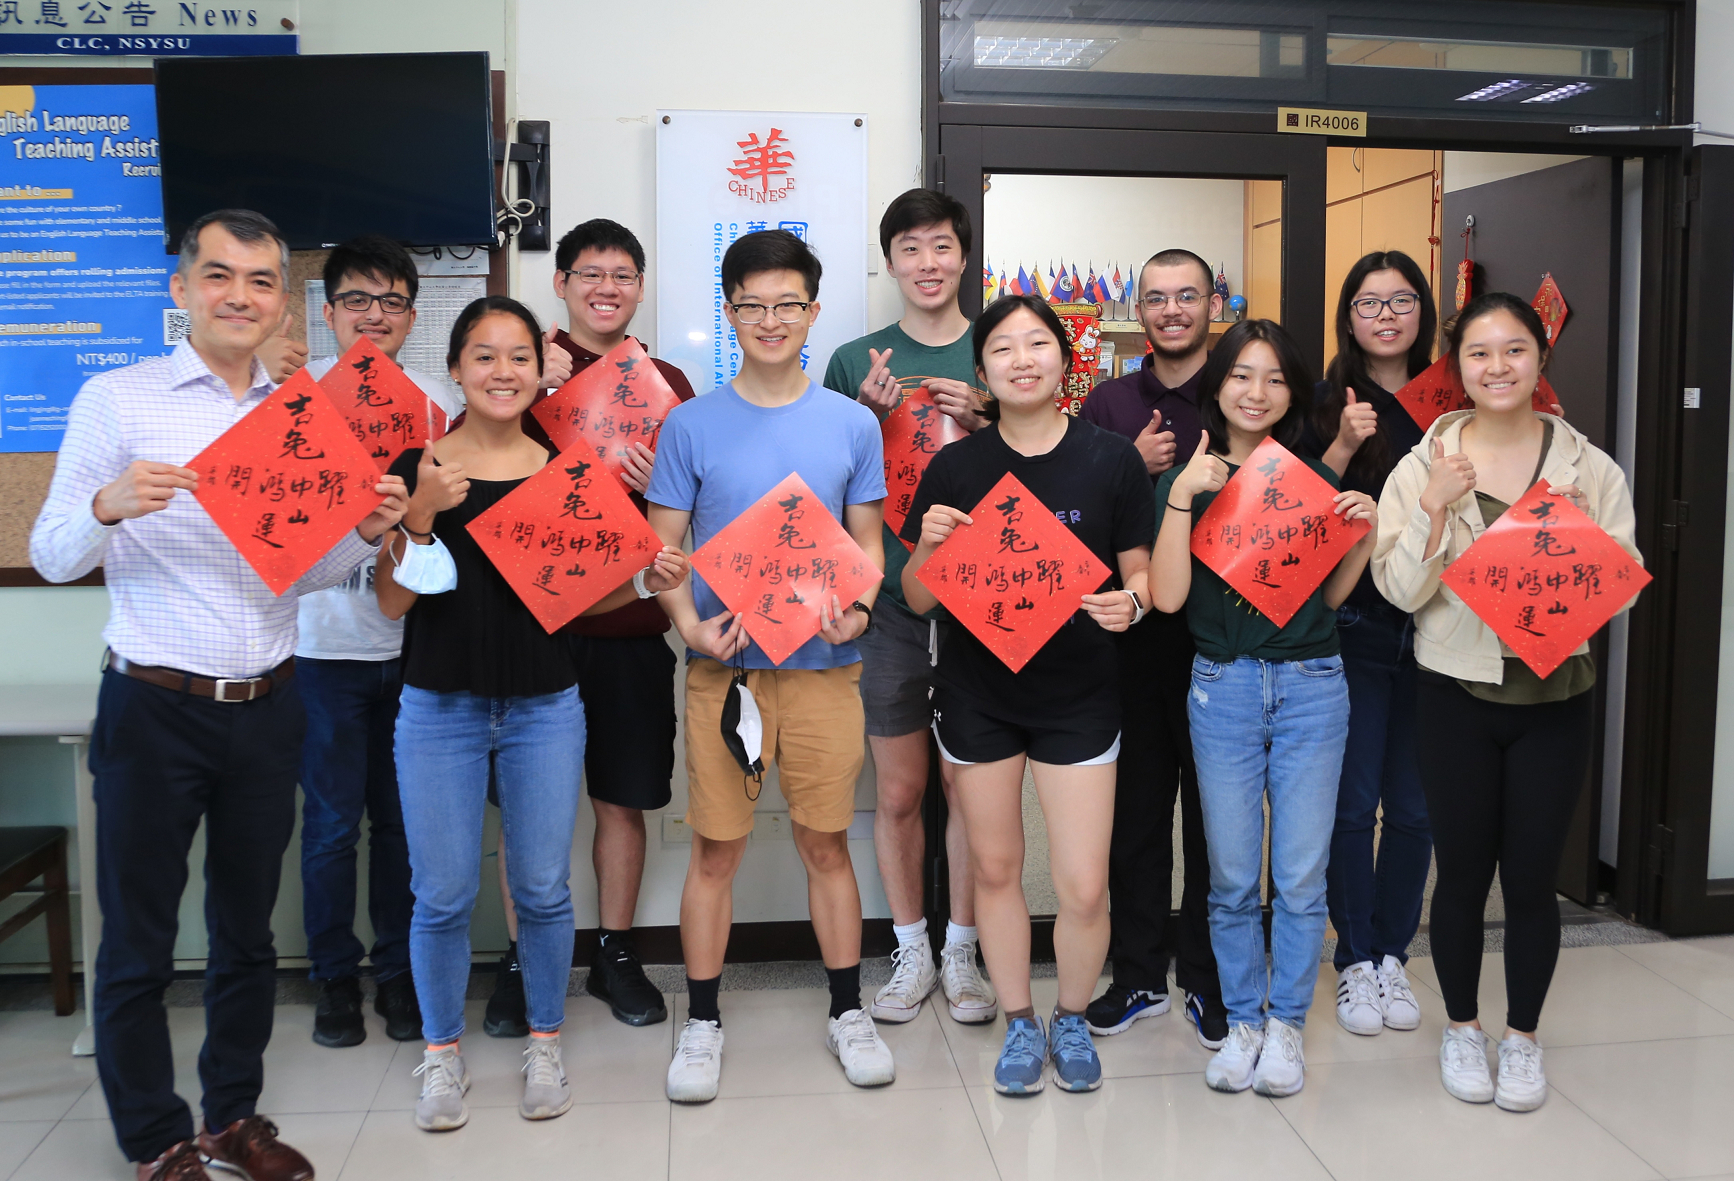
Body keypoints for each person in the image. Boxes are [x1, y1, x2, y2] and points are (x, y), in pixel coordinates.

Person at [30, 209, 409, 1181]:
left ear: (284, 298)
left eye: (259, 280)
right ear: (181, 287)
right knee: (141, 936)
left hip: (272, 700)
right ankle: (157, 1138)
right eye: (218, 275)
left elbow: (314, 571)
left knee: (246, 930)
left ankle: (231, 1116)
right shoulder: (119, 400)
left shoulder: (299, 413)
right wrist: (108, 505)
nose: (238, 295)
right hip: (153, 704)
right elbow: (50, 551)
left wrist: (366, 530)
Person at [375, 296, 688, 1132]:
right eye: (485, 355)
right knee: (440, 893)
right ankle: (442, 1057)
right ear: (456, 369)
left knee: (544, 888)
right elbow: (391, 602)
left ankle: (544, 1039)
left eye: (518, 356)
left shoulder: (562, 462)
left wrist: (648, 579)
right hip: (438, 707)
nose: (504, 371)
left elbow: (584, 595)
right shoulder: (420, 463)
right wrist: (422, 511)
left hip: (546, 705)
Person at [1372, 291, 1642, 1113]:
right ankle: (1462, 1026)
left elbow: (1619, 588)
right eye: (1481, 353)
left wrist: (1588, 543)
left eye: (1515, 350)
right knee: (1460, 874)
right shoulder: (1423, 463)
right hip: (1454, 689)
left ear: (1539, 359)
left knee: (1529, 879)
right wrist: (1434, 507)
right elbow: (1400, 588)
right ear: (1457, 367)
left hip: (1555, 695)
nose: (1498, 367)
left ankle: (1521, 1038)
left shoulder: (1588, 468)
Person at [646, 229, 893, 1102]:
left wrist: (856, 606)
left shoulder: (852, 422)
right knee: (716, 849)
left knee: (828, 840)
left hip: (828, 666)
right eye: (752, 304)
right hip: (728, 670)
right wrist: (689, 626)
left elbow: (869, 546)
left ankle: (845, 1006)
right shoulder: (690, 423)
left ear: (814, 312)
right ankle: (704, 1020)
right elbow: (660, 554)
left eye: (789, 303)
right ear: (730, 312)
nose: (771, 319)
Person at [902, 294, 1154, 1096]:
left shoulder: (1110, 458)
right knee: (998, 866)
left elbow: (1138, 566)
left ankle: (1070, 1014)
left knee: (1082, 881)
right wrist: (930, 551)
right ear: (980, 372)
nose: (1021, 358)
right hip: (979, 691)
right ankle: (1018, 1020)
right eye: (1002, 348)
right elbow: (916, 599)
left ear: (1064, 359)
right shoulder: (956, 467)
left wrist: (1135, 601)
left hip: (1080, 692)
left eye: (1037, 343)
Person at [478, 217, 698, 1037]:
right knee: (528, 809)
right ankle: (521, 956)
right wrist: (534, 391)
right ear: (562, 283)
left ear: (639, 287)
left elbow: (692, 508)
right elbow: (481, 472)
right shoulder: (519, 366)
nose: (606, 286)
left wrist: (661, 478)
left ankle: (614, 949)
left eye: (622, 274)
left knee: (621, 797)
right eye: (589, 273)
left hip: (632, 625)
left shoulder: (666, 380)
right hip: (530, 627)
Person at [1152, 319, 1379, 1099]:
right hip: (1223, 685)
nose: (1257, 392)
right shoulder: (1190, 479)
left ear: (1293, 393)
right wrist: (1182, 494)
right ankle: (1241, 1019)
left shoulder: (1310, 478)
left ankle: (1286, 1026)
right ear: (1216, 384)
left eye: (1276, 378)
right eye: (1243, 375)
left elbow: (1331, 600)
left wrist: (1359, 539)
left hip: (1315, 683)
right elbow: (1169, 597)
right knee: (1231, 874)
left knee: (1301, 870)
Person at [820, 188, 996, 1026]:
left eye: (941, 247)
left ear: (964, 255)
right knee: (896, 793)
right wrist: (865, 418)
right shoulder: (856, 360)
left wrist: (989, 416)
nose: (928, 264)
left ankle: (964, 952)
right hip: (888, 603)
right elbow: (820, 484)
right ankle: (912, 947)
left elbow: (1046, 468)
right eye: (910, 249)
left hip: (980, 606)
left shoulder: (1001, 348)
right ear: (889, 262)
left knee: (969, 791)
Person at [294, 235, 463, 1051]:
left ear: (411, 316)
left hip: (413, 647)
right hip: (320, 649)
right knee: (329, 824)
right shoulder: (292, 401)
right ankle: (334, 978)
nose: (375, 315)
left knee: (402, 826)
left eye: (392, 301)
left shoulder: (435, 404)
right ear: (328, 314)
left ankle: (397, 974)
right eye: (358, 300)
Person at [1079, 248, 1228, 1047]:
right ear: (1137, 307)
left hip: (1221, 640)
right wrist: (1129, 469)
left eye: (1187, 296)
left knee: (1215, 820)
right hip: (1131, 638)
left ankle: (1207, 979)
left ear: (1213, 302)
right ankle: (1138, 974)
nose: (1171, 309)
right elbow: (1073, 514)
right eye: (1156, 297)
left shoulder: (1239, 387)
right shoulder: (1106, 401)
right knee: (1134, 816)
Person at [1296, 251, 1435, 1038]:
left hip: (1439, 627)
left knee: (1415, 807)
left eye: (1401, 300)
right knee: (1352, 805)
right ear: (1347, 315)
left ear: (1423, 313)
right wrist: (1343, 445)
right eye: (1369, 301)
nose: (1386, 315)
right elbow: (1290, 521)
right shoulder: (1322, 401)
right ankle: (1352, 959)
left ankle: (1391, 953)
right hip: (1353, 622)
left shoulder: (1452, 399)